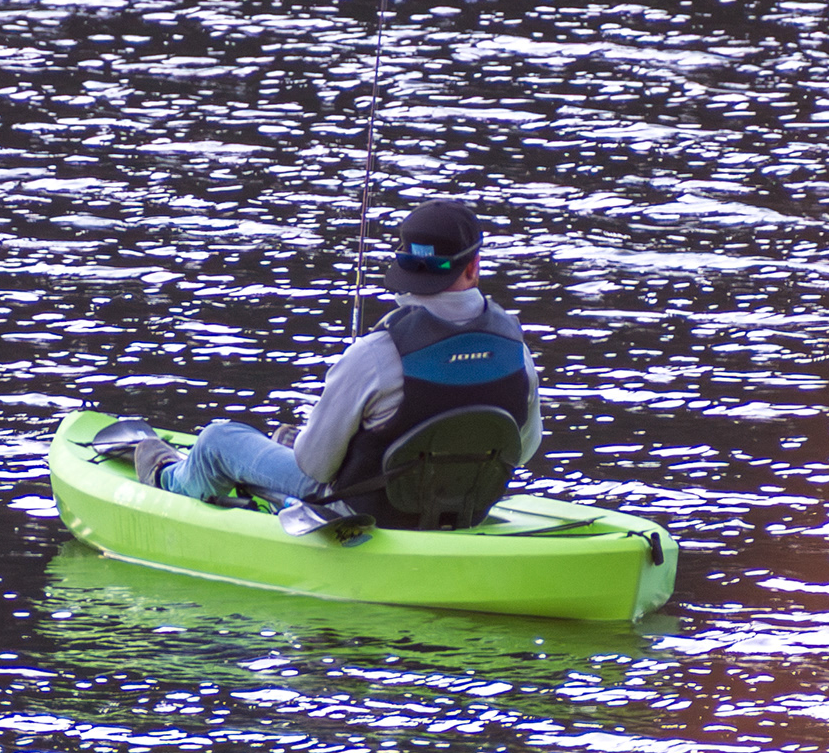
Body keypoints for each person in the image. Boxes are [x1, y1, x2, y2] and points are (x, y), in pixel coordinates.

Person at [106, 198, 543, 522]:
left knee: (221, 439)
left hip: (361, 509)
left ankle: (165, 474)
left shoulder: (376, 354)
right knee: (293, 440)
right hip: (464, 507)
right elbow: (521, 450)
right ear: (474, 268)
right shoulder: (517, 351)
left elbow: (314, 467)